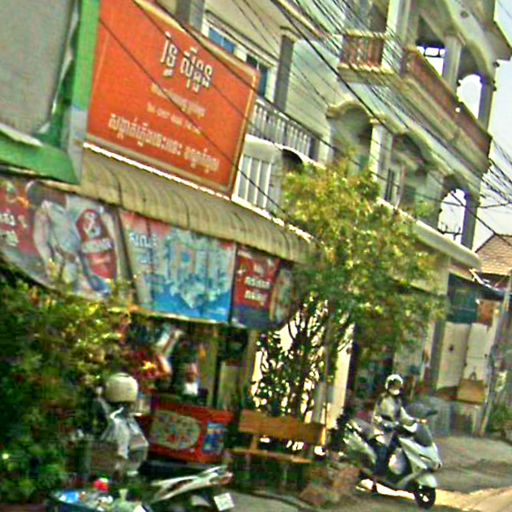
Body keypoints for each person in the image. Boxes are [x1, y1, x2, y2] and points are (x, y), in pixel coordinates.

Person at [371, 374, 415, 478]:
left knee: (398, 450)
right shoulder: (382, 398)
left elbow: (403, 416)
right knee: (382, 453)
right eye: (394, 385)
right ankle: (375, 478)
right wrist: (382, 423)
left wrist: (415, 421)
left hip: (393, 430)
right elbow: (376, 414)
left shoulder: (398, 401)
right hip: (381, 431)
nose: (396, 388)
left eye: (398, 386)